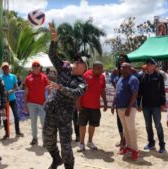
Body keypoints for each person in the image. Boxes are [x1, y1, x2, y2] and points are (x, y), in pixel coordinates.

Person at [44, 23, 87, 169]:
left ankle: (69, 166)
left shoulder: (82, 82)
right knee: (48, 141)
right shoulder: (64, 67)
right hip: (51, 111)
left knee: (66, 147)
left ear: (84, 68)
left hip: (64, 116)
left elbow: (75, 93)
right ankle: (56, 159)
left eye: (80, 61)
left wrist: (59, 87)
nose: (77, 61)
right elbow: (52, 56)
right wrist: (54, 40)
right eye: (77, 60)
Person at [77, 61, 107, 152]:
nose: (101, 71)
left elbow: (102, 90)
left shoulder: (102, 77)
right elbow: (79, 90)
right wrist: (77, 103)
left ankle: (90, 141)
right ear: (94, 68)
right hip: (84, 106)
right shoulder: (85, 76)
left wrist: (105, 102)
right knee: (82, 125)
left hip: (95, 106)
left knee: (92, 125)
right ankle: (81, 143)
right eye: (100, 69)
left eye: (102, 69)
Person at [137, 58, 166, 153]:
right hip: (145, 105)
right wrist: (138, 104)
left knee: (158, 125)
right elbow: (139, 92)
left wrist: (162, 104)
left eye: (151, 64)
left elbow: (162, 90)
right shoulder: (142, 76)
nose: (149, 65)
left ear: (154, 65)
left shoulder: (159, 76)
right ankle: (151, 143)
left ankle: (162, 145)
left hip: (156, 105)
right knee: (148, 125)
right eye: (148, 64)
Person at [111, 62, 139, 160]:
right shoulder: (120, 79)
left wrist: (129, 108)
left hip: (129, 108)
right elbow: (117, 92)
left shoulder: (133, 79)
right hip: (119, 107)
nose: (122, 69)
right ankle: (128, 147)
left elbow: (134, 94)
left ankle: (134, 150)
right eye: (121, 67)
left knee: (131, 129)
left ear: (129, 69)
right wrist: (113, 104)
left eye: (124, 67)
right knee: (125, 129)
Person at [24, 60, 49, 145]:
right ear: (32, 68)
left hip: (42, 103)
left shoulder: (44, 77)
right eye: (34, 66)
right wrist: (24, 105)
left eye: (37, 66)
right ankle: (34, 138)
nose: (36, 68)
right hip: (31, 103)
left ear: (40, 67)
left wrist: (49, 100)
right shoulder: (28, 78)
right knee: (33, 122)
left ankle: (45, 140)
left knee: (43, 122)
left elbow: (49, 88)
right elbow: (26, 92)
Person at [111, 54, 130, 148]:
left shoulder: (131, 71)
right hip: (119, 101)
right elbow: (112, 80)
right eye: (119, 60)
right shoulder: (116, 71)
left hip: (128, 102)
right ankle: (122, 139)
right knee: (119, 122)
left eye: (122, 60)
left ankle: (127, 141)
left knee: (127, 122)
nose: (121, 61)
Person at [1, 62, 24, 138]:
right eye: (4, 68)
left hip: (12, 98)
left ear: (9, 68)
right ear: (2, 69)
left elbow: (16, 87)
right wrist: (3, 92)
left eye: (7, 67)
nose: (6, 69)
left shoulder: (13, 76)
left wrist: (11, 90)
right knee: (5, 117)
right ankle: (6, 133)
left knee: (16, 116)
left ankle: (18, 132)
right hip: (4, 100)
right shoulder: (0, 78)